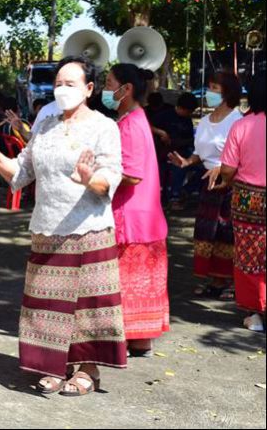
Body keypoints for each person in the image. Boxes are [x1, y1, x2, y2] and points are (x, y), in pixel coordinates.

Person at [0, 56, 127, 396]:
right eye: (58, 83)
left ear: (89, 89)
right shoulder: (44, 124)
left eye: (70, 84)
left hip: (89, 230)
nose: (61, 89)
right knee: (47, 304)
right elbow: (18, 174)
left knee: (89, 307)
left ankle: (87, 369)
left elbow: (109, 179)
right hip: (46, 227)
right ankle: (51, 366)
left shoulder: (104, 126)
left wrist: (89, 179)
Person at [102, 64, 169, 356]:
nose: (105, 88)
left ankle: (126, 338)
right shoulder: (136, 119)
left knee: (126, 281)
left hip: (131, 217)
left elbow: (131, 174)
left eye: (108, 82)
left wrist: (95, 171)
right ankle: (141, 339)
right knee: (142, 282)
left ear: (125, 89)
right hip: (145, 215)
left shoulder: (129, 124)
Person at [169, 72, 243, 299]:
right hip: (207, 183)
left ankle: (227, 281)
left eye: (214, 87)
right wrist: (186, 162)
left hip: (229, 185)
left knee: (226, 233)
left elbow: (241, 155)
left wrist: (222, 169)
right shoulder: (204, 121)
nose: (210, 92)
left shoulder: (237, 119)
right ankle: (214, 279)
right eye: (209, 87)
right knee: (206, 233)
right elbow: (200, 154)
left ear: (227, 91)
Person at [211, 74, 266, 332]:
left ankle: (254, 313)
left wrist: (226, 179)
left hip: (247, 200)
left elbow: (228, 170)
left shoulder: (242, 126)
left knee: (248, 256)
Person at [150, 92, 198, 207]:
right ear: (181, 108)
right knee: (176, 166)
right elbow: (148, 126)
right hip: (166, 153)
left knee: (203, 168)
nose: (189, 114)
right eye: (188, 111)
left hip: (184, 151)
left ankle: (184, 191)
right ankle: (174, 196)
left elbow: (189, 138)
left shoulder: (187, 120)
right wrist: (161, 133)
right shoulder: (164, 115)